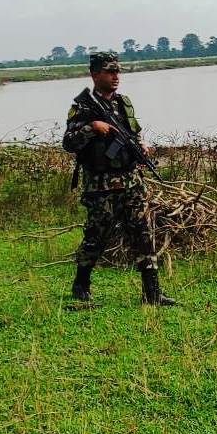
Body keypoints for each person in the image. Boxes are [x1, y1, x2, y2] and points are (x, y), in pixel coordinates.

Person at [61, 52, 175, 308]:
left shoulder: (123, 103)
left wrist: (141, 145)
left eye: (117, 71)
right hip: (101, 186)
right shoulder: (82, 107)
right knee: (96, 237)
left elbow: (135, 132)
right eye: (109, 71)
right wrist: (92, 128)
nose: (116, 76)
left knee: (144, 233)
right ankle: (81, 285)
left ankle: (152, 293)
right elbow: (68, 143)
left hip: (132, 182)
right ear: (94, 74)